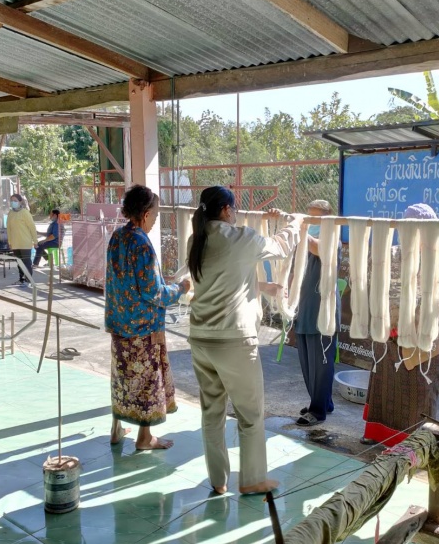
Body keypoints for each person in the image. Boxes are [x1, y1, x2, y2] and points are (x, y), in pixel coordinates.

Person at [188, 186, 303, 495]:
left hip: (201, 339)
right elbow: (281, 246)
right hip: (233, 340)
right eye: (234, 209)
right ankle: (252, 480)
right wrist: (295, 222)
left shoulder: (196, 240)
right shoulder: (241, 238)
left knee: (212, 412)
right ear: (227, 210)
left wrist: (263, 286)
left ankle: (218, 480)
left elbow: (224, 278)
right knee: (250, 415)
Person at [106, 185, 192, 450]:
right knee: (146, 381)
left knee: (122, 378)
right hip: (143, 328)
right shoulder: (142, 243)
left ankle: (116, 429)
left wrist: (162, 283)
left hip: (119, 323)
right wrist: (180, 288)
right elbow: (153, 292)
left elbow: (125, 280)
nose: (155, 220)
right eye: (155, 214)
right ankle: (144, 438)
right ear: (144, 214)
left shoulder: (118, 237)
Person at [362, 203, 439, 447]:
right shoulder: (389, 254)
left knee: (419, 387)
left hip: (424, 330)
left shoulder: (438, 255)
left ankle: (414, 443)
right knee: (385, 384)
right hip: (389, 327)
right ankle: (376, 432)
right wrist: (391, 318)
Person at [294, 199, 341, 427]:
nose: (311, 223)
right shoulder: (304, 242)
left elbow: (317, 247)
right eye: (309, 217)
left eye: (316, 220)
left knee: (321, 362)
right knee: (307, 362)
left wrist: (300, 228)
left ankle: (318, 411)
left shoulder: (332, 241)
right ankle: (323, 402)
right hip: (305, 309)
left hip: (324, 312)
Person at [6, 193, 38, 286]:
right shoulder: (10, 213)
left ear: (20, 202)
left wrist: (35, 241)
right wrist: (10, 242)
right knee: (19, 262)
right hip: (15, 243)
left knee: (26, 262)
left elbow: (32, 227)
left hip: (25, 242)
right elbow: (8, 229)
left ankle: (28, 280)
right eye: (12, 201)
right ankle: (21, 279)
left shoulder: (25, 213)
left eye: (15, 201)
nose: (13, 202)